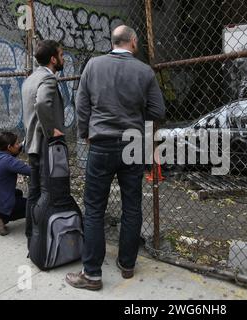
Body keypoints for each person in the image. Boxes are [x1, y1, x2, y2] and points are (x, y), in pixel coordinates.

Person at [66, 25, 165, 290]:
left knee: (95, 208)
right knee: (132, 205)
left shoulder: (93, 66)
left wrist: (86, 132)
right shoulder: (144, 71)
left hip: (101, 145)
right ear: (132, 41)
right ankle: (127, 264)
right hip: (132, 145)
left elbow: (81, 104)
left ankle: (92, 274)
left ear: (113, 41)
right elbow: (158, 110)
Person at [21, 40, 65, 243]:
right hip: (45, 144)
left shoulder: (30, 79)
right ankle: (43, 237)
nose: (63, 58)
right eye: (61, 55)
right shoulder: (49, 79)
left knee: (34, 192)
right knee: (48, 191)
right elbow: (41, 104)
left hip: (31, 144)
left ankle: (32, 235)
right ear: (53, 59)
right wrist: (52, 131)